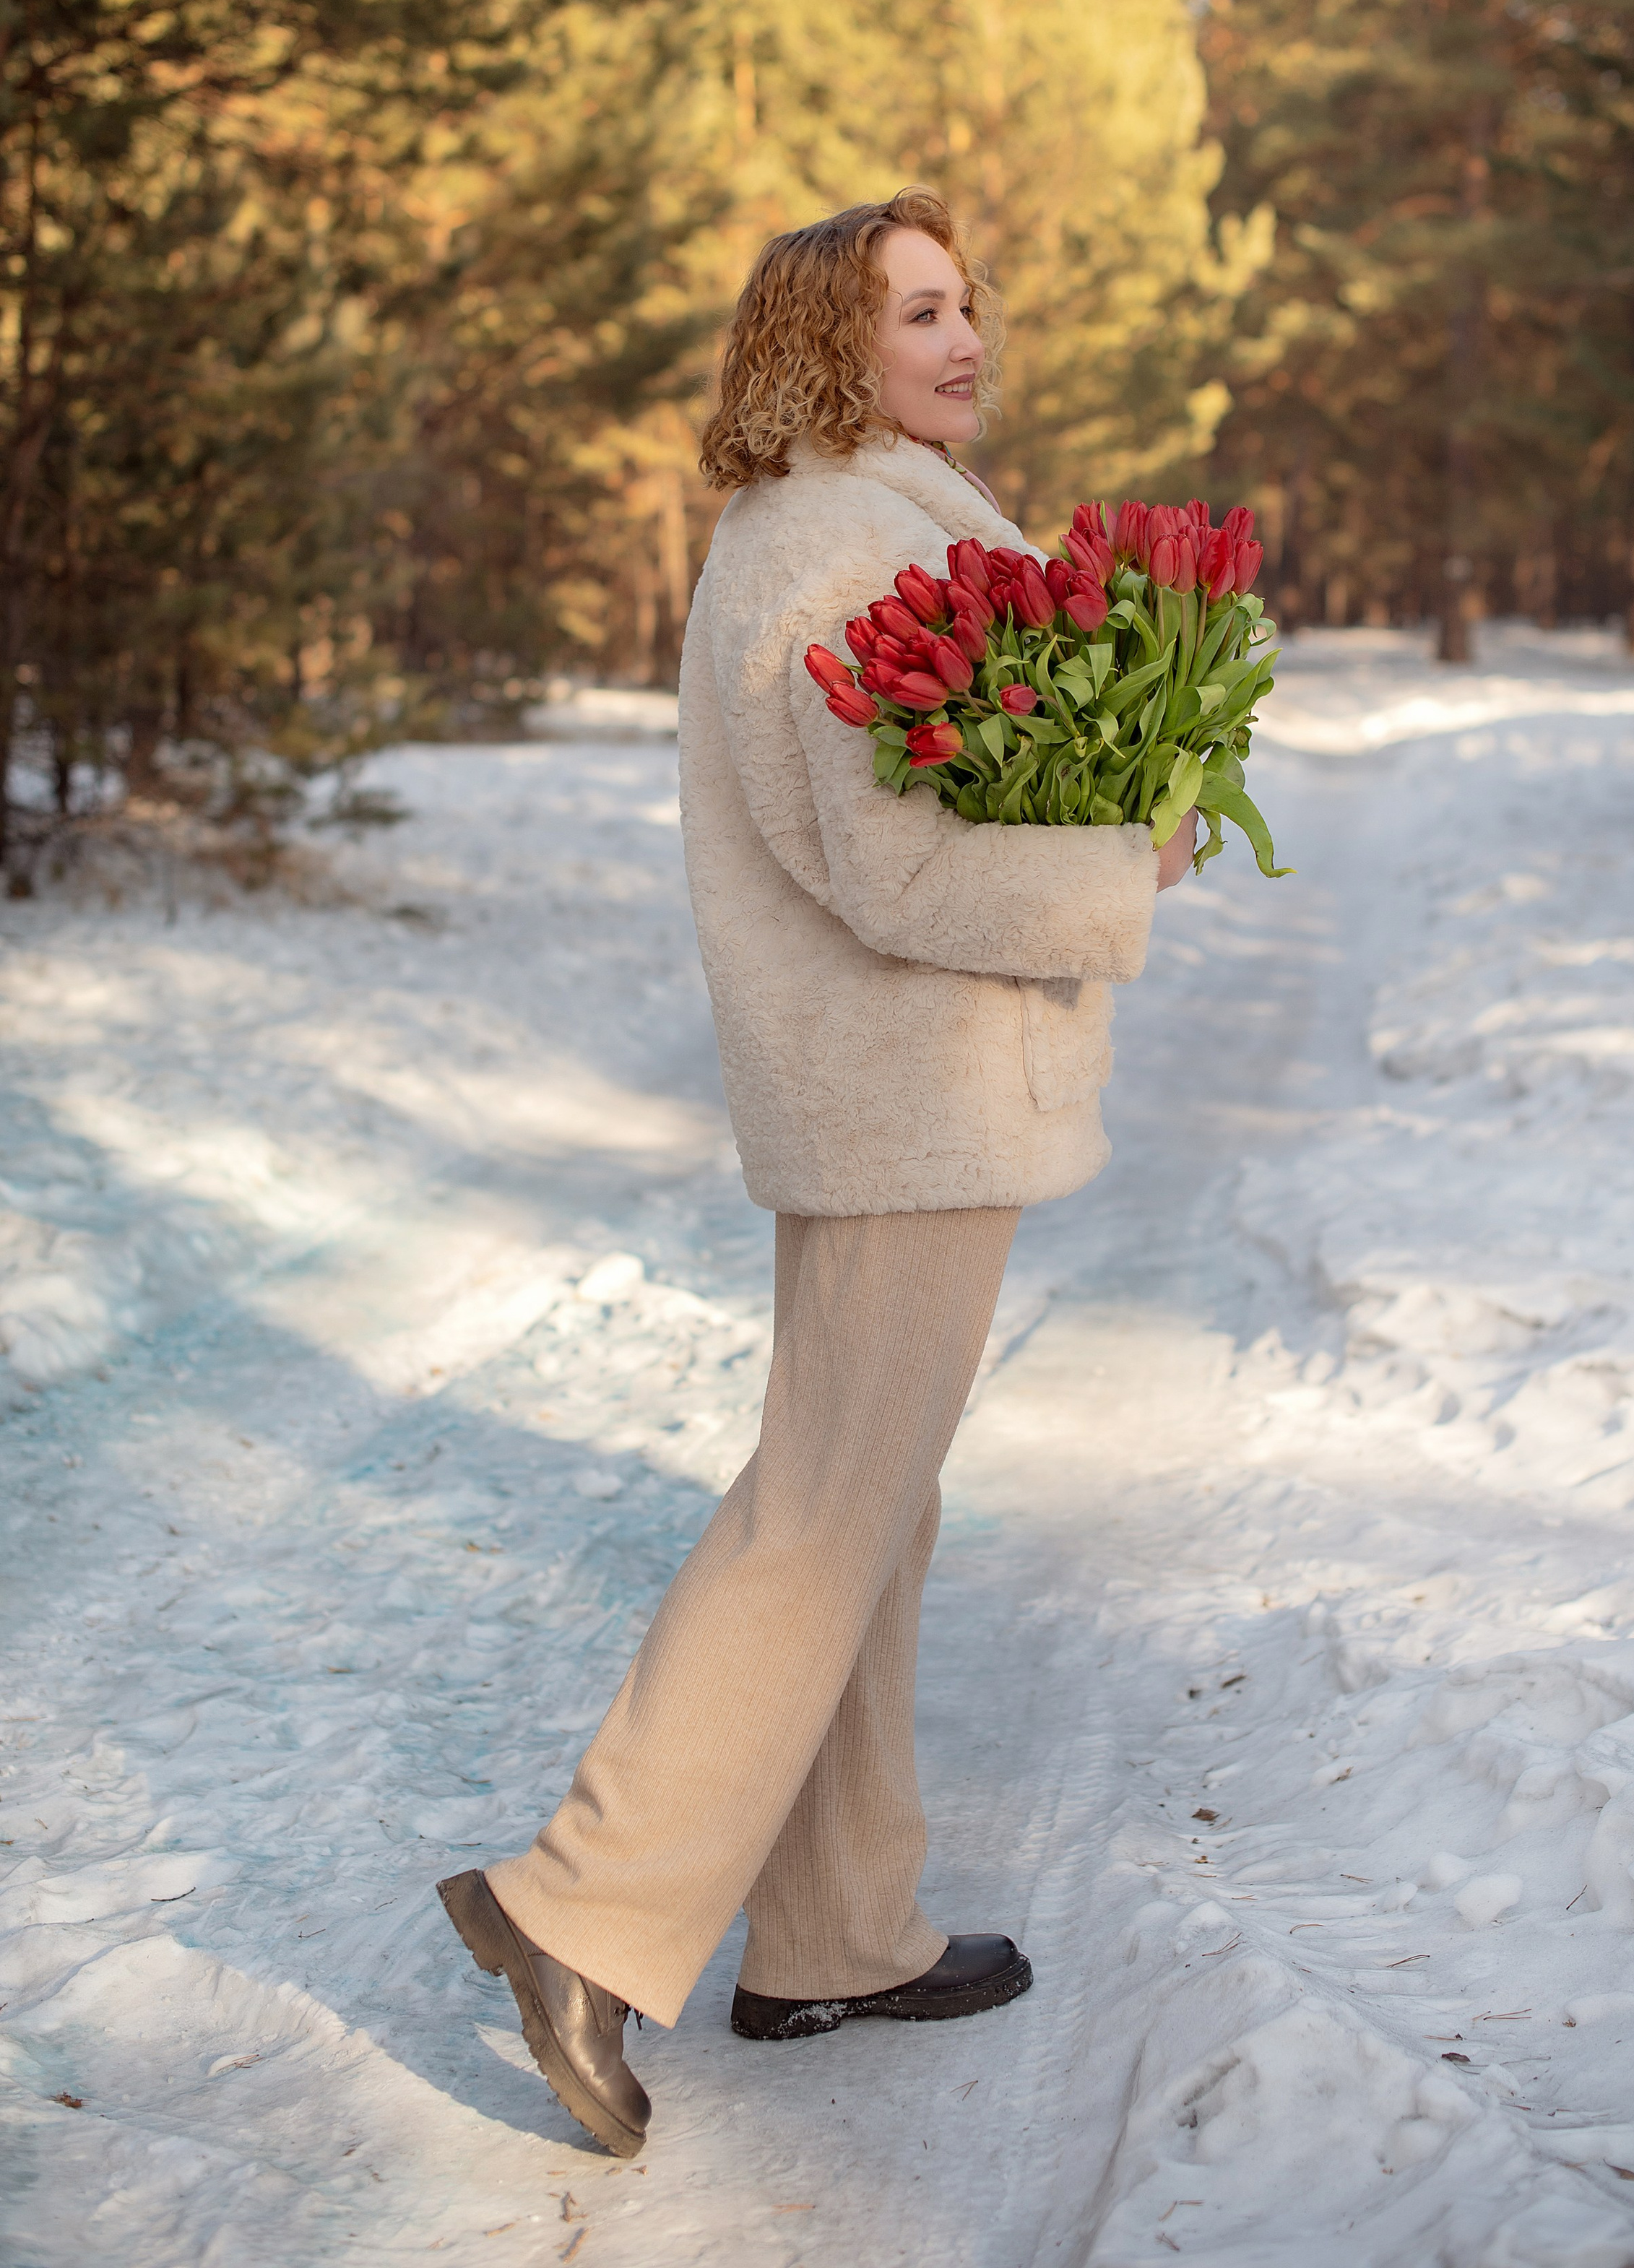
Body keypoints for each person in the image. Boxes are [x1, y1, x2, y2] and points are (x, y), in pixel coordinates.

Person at [436, 186, 1195, 2160]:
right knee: (820, 1509)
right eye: (919, 313)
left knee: (876, 1504)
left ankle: (838, 1934)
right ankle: (576, 1911)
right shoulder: (834, 547)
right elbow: (901, 864)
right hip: (902, 1095)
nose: (967, 338)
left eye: (969, 304)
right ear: (822, 349)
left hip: (914, 1093)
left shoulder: (895, 520)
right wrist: (1126, 864)